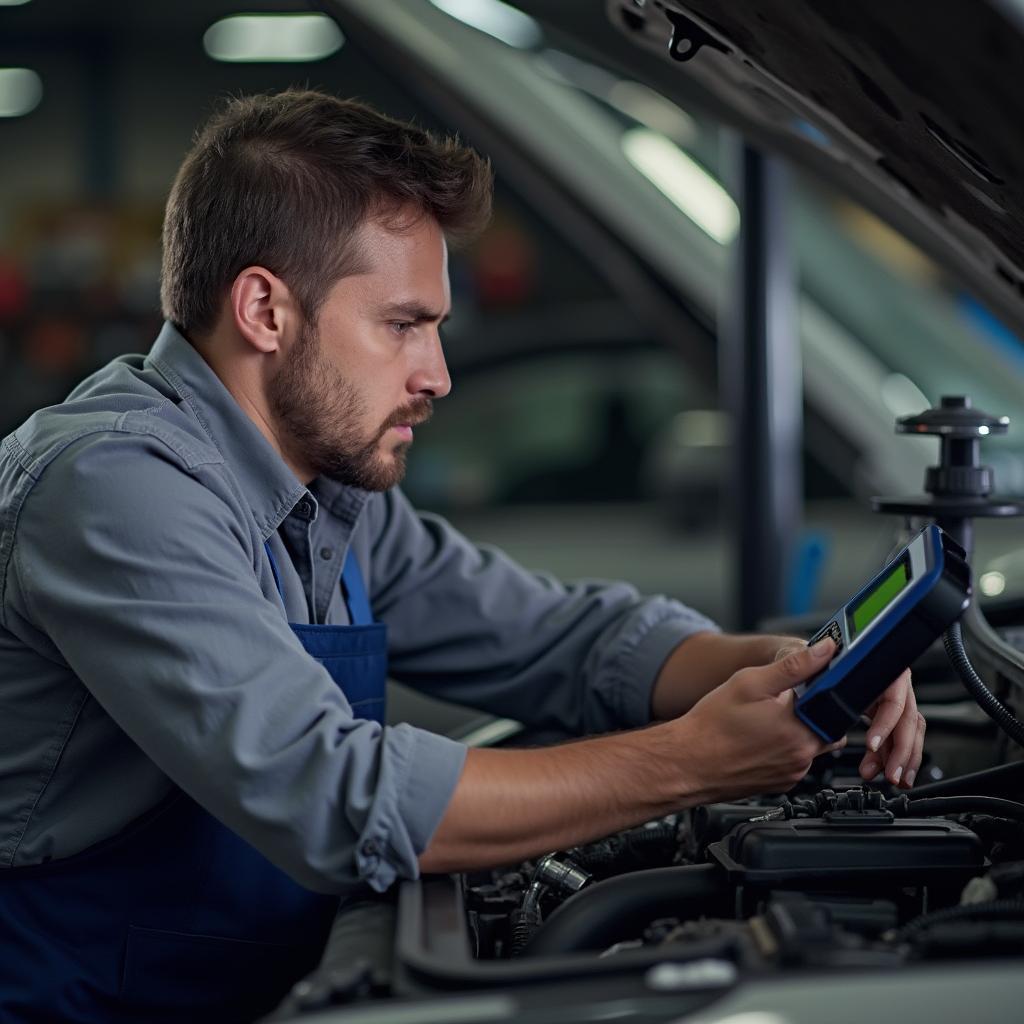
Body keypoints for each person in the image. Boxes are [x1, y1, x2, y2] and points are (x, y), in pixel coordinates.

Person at [0, 90, 924, 1023]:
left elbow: (560, 639)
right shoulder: (114, 487)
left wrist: (786, 665)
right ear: (265, 311)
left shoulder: (329, 490)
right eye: (403, 324)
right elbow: (331, 794)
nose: (438, 373)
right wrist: (693, 761)